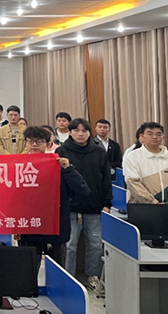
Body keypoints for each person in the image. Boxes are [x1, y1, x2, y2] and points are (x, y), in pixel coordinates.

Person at [17, 126, 90, 269]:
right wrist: (16, 226)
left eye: (39, 141)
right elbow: (14, 200)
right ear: (25, 143)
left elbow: (83, 190)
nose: (34, 145)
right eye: (30, 141)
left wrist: (68, 169)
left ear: (48, 144)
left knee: (57, 270)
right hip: (29, 226)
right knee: (28, 269)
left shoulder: (59, 165)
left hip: (55, 226)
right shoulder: (19, 166)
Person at [56, 118, 112, 296]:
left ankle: (93, 276)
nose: (81, 134)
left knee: (95, 244)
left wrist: (107, 203)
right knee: (70, 245)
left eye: (84, 131)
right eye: (76, 130)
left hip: (94, 206)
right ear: (70, 132)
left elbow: (106, 178)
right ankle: (68, 277)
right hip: (70, 207)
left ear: (89, 132)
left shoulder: (99, 151)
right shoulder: (62, 151)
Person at [123, 122, 168, 204]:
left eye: (158, 134)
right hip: (142, 206)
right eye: (150, 134)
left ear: (163, 137)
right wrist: (153, 202)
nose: (154, 137)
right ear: (142, 137)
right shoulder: (133, 157)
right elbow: (133, 183)